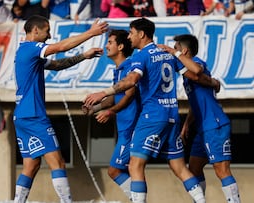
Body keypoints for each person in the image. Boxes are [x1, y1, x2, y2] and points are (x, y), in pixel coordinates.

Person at [83, 17, 211, 203]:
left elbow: (132, 81)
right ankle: (201, 201)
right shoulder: (167, 53)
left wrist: (103, 93)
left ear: (141, 34)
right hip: (172, 116)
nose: (129, 37)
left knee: (135, 165)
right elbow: (195, 74)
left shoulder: (140, 56)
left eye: (132, 33)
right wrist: (213, 83)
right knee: (179, 167)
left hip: (152, 116)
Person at [13, 15, 108, 203]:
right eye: (47, 31)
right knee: (58, 162)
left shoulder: (24, 51)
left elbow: (56, 65)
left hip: (22, 116)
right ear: (35, 31)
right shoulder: (32, 48)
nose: (49, 35)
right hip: (33, 115)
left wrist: (83, 56)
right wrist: (91, 33)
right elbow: (61, 47)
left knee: (31, 165)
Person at [161, 34, 241, 203]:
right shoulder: (186, 74)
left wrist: (173, 53)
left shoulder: (197, 63)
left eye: (175, 48)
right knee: (194, 168)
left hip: (215, 124)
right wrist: (186, 126)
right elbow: (196, 102)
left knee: (221, 169)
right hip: (202, 127)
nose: (173, 51)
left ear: (184, 51)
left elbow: (197, 71)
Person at [82, 29, 140, 201]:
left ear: (120, 46)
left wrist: (110, 112)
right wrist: (95, 108)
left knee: (115, 170)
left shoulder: (130, 68)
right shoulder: (119, 69)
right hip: (125, 129)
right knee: (132, 169)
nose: (106, 46)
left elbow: (129, 96)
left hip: (131, 128)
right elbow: (115, 97)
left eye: (110, 42)